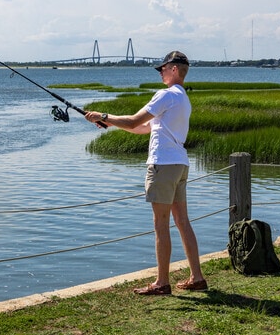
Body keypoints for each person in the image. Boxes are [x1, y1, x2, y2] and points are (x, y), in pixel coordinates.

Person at [85, 51, 207, 295]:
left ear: (174, 69)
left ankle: (162, 283)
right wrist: (109, 123)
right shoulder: (182, 98)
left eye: (163, 68)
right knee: (182, 222)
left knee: (160, 224)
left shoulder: (165, 95)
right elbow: (142, 128)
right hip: (179, 165)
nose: (160, 72)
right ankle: (197, 278)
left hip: (162, 165)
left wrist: (103, 115)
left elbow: (132, 121)